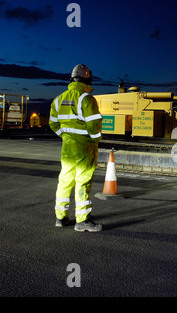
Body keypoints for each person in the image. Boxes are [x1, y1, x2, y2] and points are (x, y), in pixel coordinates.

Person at [49, 64, 103, 232]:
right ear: (88, 79)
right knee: (83, 181)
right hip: (84, 148)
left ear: (71, 79)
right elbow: (94, 124)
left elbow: (52, 123)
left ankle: (61, 217)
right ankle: (82, 220)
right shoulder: (86, 99)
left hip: (68, 148)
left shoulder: (58, 99)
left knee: (64, 181)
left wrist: (64, 135)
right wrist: (95, 139)